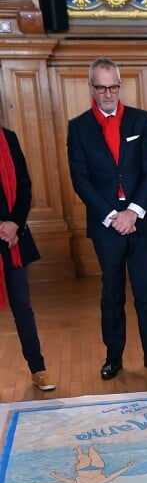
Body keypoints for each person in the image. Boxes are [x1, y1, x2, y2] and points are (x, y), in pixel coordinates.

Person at [67, 57, 147, 380]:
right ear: (91, 88)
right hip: (106, 226)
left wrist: (133, 212)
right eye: (102, 87)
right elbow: (80, 179)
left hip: (140, 221)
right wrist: (113, 216)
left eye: (113, 87)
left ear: (119, 86)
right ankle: (113, 357)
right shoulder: (79, 127)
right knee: (112, 293)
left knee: (145, 291)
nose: (108, 93)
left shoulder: (140, 120)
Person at [0, 125, 56, 391]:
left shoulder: (8, 137)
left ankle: (38, 368)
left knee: (22, 306)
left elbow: (24, 185)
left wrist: (14, 223)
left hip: (12, 239)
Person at [50, 446, 133, 483]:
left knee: (84, 459)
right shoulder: (104, 481)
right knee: (93, 453)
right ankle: (90, 448)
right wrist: (127, 467)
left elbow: (68, 481)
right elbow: (115, 475)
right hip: (98, 467)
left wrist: (55, 475)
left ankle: (79, 450)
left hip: (82, 469)